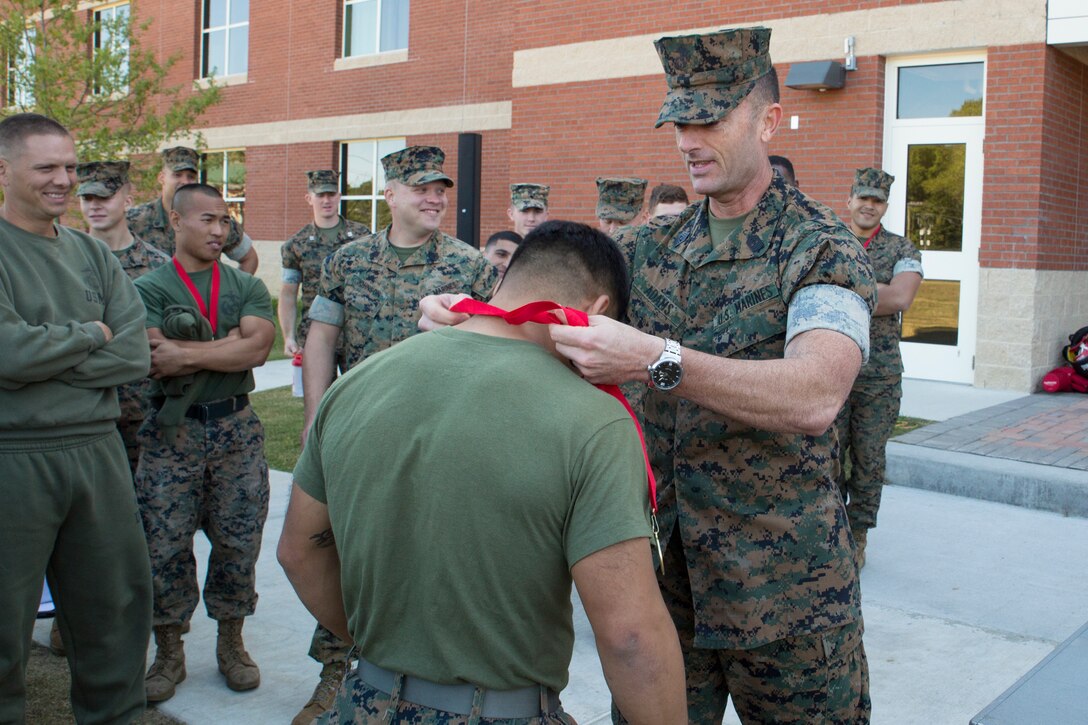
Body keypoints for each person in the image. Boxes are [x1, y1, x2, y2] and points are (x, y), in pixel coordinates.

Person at [420, 27, 876, 724]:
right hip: (664, 593)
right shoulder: (649, 247)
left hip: (789, 598)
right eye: (679, 120)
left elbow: (816, 393)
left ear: (768, 120)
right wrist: (465, 313)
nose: (688, 139)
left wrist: (656, 359)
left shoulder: (821, 248)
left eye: (710, 119)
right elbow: (540, 290)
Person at [279, 220, 687, 725]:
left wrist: (396, 653)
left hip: (363, 700)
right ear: (597, 314)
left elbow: (299, 551)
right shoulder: (594, 422)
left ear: (499, 285)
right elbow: (630, 637)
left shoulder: (357, 384)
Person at [0, 113, 153, 724]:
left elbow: (133, 352)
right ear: (4, 171)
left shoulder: (93, 253)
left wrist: (42, 357)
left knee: (114, 617)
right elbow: (6, 351)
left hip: (97, 450)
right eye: (47, 168)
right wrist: (90, 334)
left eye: (69, 166)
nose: (64, 180)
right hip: (13, 458)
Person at [133, 183, 275, 703]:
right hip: (172, 434)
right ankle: (168, 651)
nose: (219, 231)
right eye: (208, 220)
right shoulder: (148, 289)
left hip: (235, 431)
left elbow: (258, 348)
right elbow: (153, 354)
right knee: (164, 546)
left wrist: (189, 354)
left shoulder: (244, 286)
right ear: (176, 220)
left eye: (225, 221)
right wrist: (227, 346)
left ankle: (231, 644)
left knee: (239, 542)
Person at [302, 145, 496, 437]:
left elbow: (495, 345)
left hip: (439, 426)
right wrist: (314, 418)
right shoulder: (347, 260)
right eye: (421, 189)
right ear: (390, 196)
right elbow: (321, 340)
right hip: (360, 417)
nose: (435, 200)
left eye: (440, 191)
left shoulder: (472, 265)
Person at [835, 167, 923, 568]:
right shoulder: (829, 241)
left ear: (885, 206)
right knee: (828, 456)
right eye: (863, 198)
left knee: (869, 461)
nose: (869, 206)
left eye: (878, 200)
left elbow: (901, 298)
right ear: (849, 200)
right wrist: (875, 291)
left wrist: (840, 287)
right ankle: (829, 532)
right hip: (832, 367)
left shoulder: (902, 248)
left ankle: (858, 536)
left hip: (878, 375)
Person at [77, 160, 171, 477]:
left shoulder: (160, 267)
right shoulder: (63, 261)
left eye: (104, 197)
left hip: (146, 417)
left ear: (128, 201)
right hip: (81, 413)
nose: (94, 206)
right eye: (87, 198)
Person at [279, 170, 370, 358]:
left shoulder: (363, 237)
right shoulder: (296, 245)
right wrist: (288, 336)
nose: (326, 200)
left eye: (331, 194)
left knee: (358, 388)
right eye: (320, 195)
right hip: (315, 335)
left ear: (339, 197)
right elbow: (288, 294)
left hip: (357, 334)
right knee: (317, 388)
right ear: (309, 198)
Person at [127, 146, 259, 274]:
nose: (185, 181)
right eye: (177, 175)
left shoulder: (215, 219)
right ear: (161, 177)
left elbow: (249, 258)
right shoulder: (135, 220)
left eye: (190, 176)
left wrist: (231, 294)